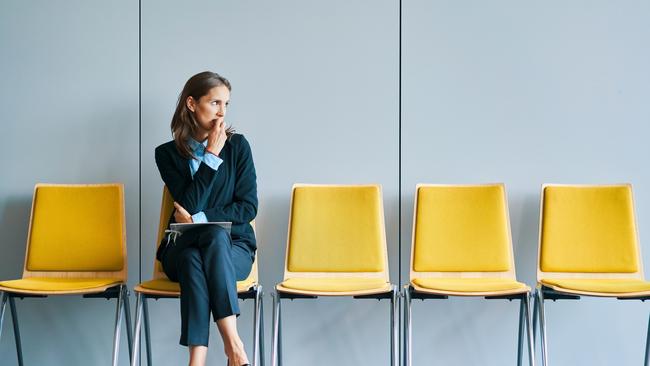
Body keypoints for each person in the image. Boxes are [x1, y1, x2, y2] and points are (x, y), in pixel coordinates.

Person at [154, 71, 257, 366]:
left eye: (226, 104)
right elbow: (187, 201)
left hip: (234, 249)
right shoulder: (167, 154)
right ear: (191, 103)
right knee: (193, 252)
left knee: (205, 246)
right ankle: (233, 345)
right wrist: (211, 154)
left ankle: (196, 361)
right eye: (215, 103)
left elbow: (247, 208)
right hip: (180, 247)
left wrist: (198, 218)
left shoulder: (239, 148)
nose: (222, 112)